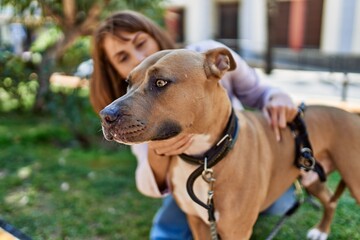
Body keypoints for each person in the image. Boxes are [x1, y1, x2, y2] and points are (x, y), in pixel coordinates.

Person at [90, 10, 298, 240]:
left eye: (140, 43)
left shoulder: (203, 59)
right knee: (171, 227)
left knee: (273, 203)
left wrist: (276, 96)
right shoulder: (137, 106)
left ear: (156, 35)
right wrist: (156, 151)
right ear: (114, 70)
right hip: (187, 177)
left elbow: (258, 91)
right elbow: (148, 183)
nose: (137, 57)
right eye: (123, 58)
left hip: (240, 160)